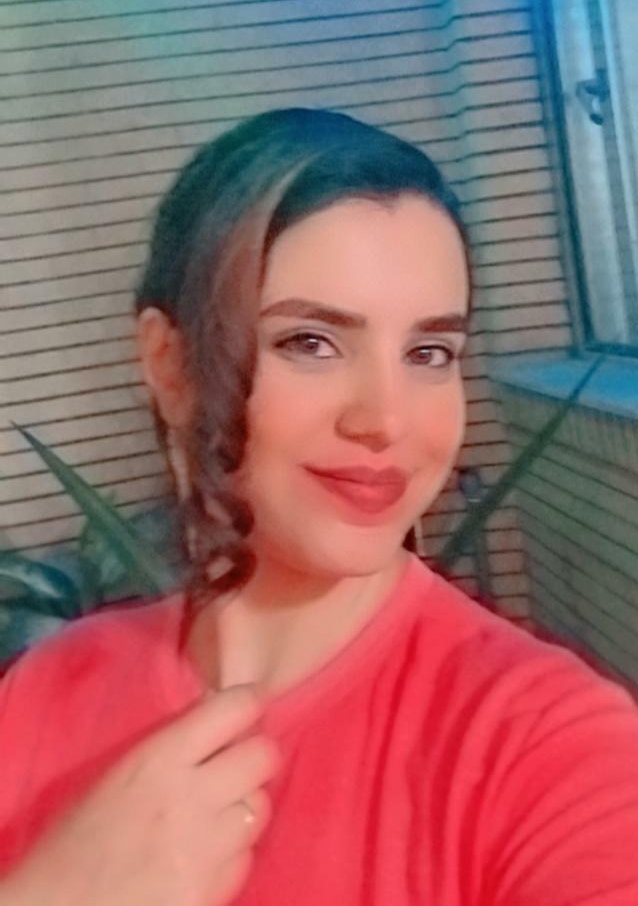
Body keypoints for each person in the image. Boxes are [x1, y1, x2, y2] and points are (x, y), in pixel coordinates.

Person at [0, 106, 637, 906]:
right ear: (170, 365)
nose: (386, 419)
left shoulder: (547, 743)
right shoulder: (44, 693)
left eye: (429, 352)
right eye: (311, 342)